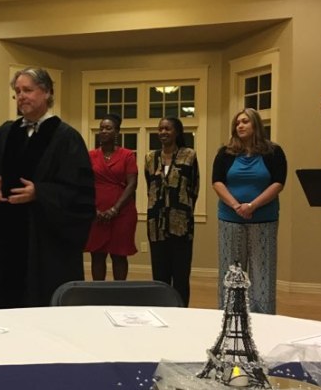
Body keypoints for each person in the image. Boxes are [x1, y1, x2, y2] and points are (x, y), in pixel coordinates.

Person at [0, 67, 95, 309]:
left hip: (44, 244)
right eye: (17, 91)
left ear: (47, 92)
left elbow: (79, 193)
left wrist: (40, 192)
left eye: (27, 90)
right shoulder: (5, 133)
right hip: (6, 237)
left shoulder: (66, 138)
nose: (21, 96)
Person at [212, 108, 287, 314]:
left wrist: (252, 206)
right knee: (231, 273)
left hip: (264, 220)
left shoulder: (273, 152)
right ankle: (229, 318)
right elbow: (217, 182)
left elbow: (278, 183)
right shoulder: (225, 153)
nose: (240, 126)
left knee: (263, 274)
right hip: (230, 219)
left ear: (256, 124)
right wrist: (236, 206)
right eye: (237, 123)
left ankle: (263, 319)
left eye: (245, 121)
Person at [144, 117, 199, 306]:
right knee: (160, 276)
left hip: (181, 224)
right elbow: (150, 187)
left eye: (167, 129)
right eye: (160, 129)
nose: (163, 132)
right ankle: (162, 309)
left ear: (177, 132)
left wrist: (181, 211)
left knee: (181, 275)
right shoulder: (150, 157)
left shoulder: (189, 155)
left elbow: (194, 188)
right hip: (156, 224)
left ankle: (181, 311)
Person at [84, 113, 137, 280]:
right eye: (101, 128)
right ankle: (99, 292)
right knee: (97, 255)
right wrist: (93, 209)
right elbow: (84, 184)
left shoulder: (127, 155)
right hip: (96, 212)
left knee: (119, 255)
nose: (104, 131)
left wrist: (115, 209)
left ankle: (119, 292)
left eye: (108, 128)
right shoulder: (90, 155)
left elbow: (132, 184)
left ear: (117, 132)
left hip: (122, 212)